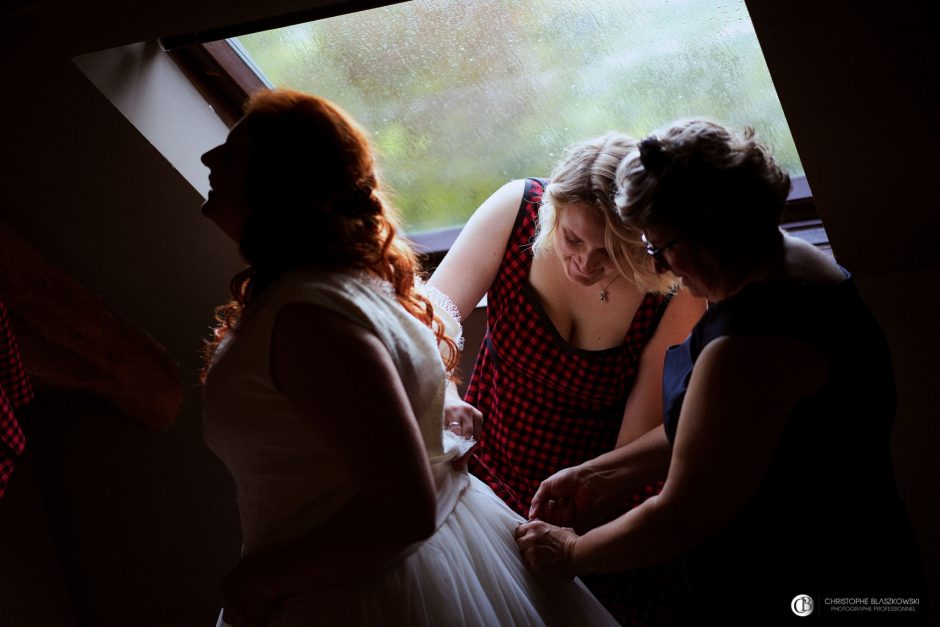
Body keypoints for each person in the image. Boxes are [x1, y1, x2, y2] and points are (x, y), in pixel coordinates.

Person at [198, 88, 620, 627]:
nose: (210, 159)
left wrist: (258, 581)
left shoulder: (310, 320)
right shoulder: (350, 281)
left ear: (278, 185)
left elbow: (403, 509)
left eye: (231, 155)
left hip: (353, 593)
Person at [515, 119, 927, 624]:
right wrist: (598, 475)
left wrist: (569, 553)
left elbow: (680, 517)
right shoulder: (783, 261)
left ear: (706, 237)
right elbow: (719, 430)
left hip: (806, 578)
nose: (663, 268)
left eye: (658, 247)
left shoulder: (752, 345)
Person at [428, 133, 706, 624]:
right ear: (553, 210)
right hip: (485, 472)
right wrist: (446, 392)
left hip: (591, 498)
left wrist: (574, 530)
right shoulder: (517, 208)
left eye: (612, 253)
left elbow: (635, 443)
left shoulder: (672, 289)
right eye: (573, 239)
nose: (584, 263)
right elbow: (430, 321)